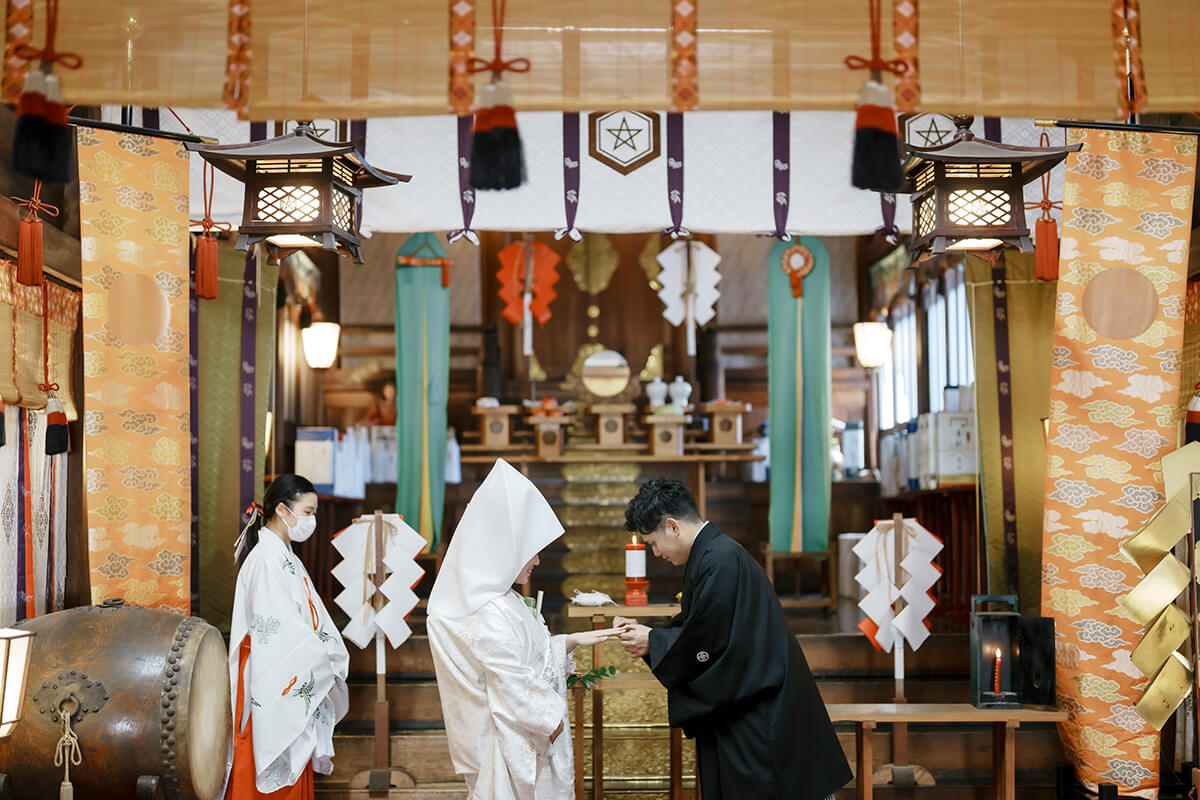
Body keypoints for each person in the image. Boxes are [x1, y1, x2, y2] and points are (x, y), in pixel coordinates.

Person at [615, 478, 851, 800]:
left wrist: (653, 641)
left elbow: (709, 643)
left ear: (672, 526)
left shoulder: (719, 559)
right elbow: (701, 628)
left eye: (653, 543)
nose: (655, 553)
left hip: (761, 716)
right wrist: (652, 636)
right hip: (746, 705)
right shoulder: (713, 555)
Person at [427, 459, 616, 799]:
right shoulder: (482, 608)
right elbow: (510, 676)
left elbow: (521, 657)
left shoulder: (500, 599)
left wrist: (567, 642)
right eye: (532, 553)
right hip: (503, 740)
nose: (537, 562)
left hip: (517, 733)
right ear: (506, 552)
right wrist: (551, 717)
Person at [223, 474, 350, 799]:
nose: (313, 520)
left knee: (289, 755)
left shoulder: (282, 554)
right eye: (307, 512)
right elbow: (276, 629)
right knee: (269, 759)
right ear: (282, 510)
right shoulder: (267, 560)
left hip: (284, 668)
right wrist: (322, 656)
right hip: (270, 673)